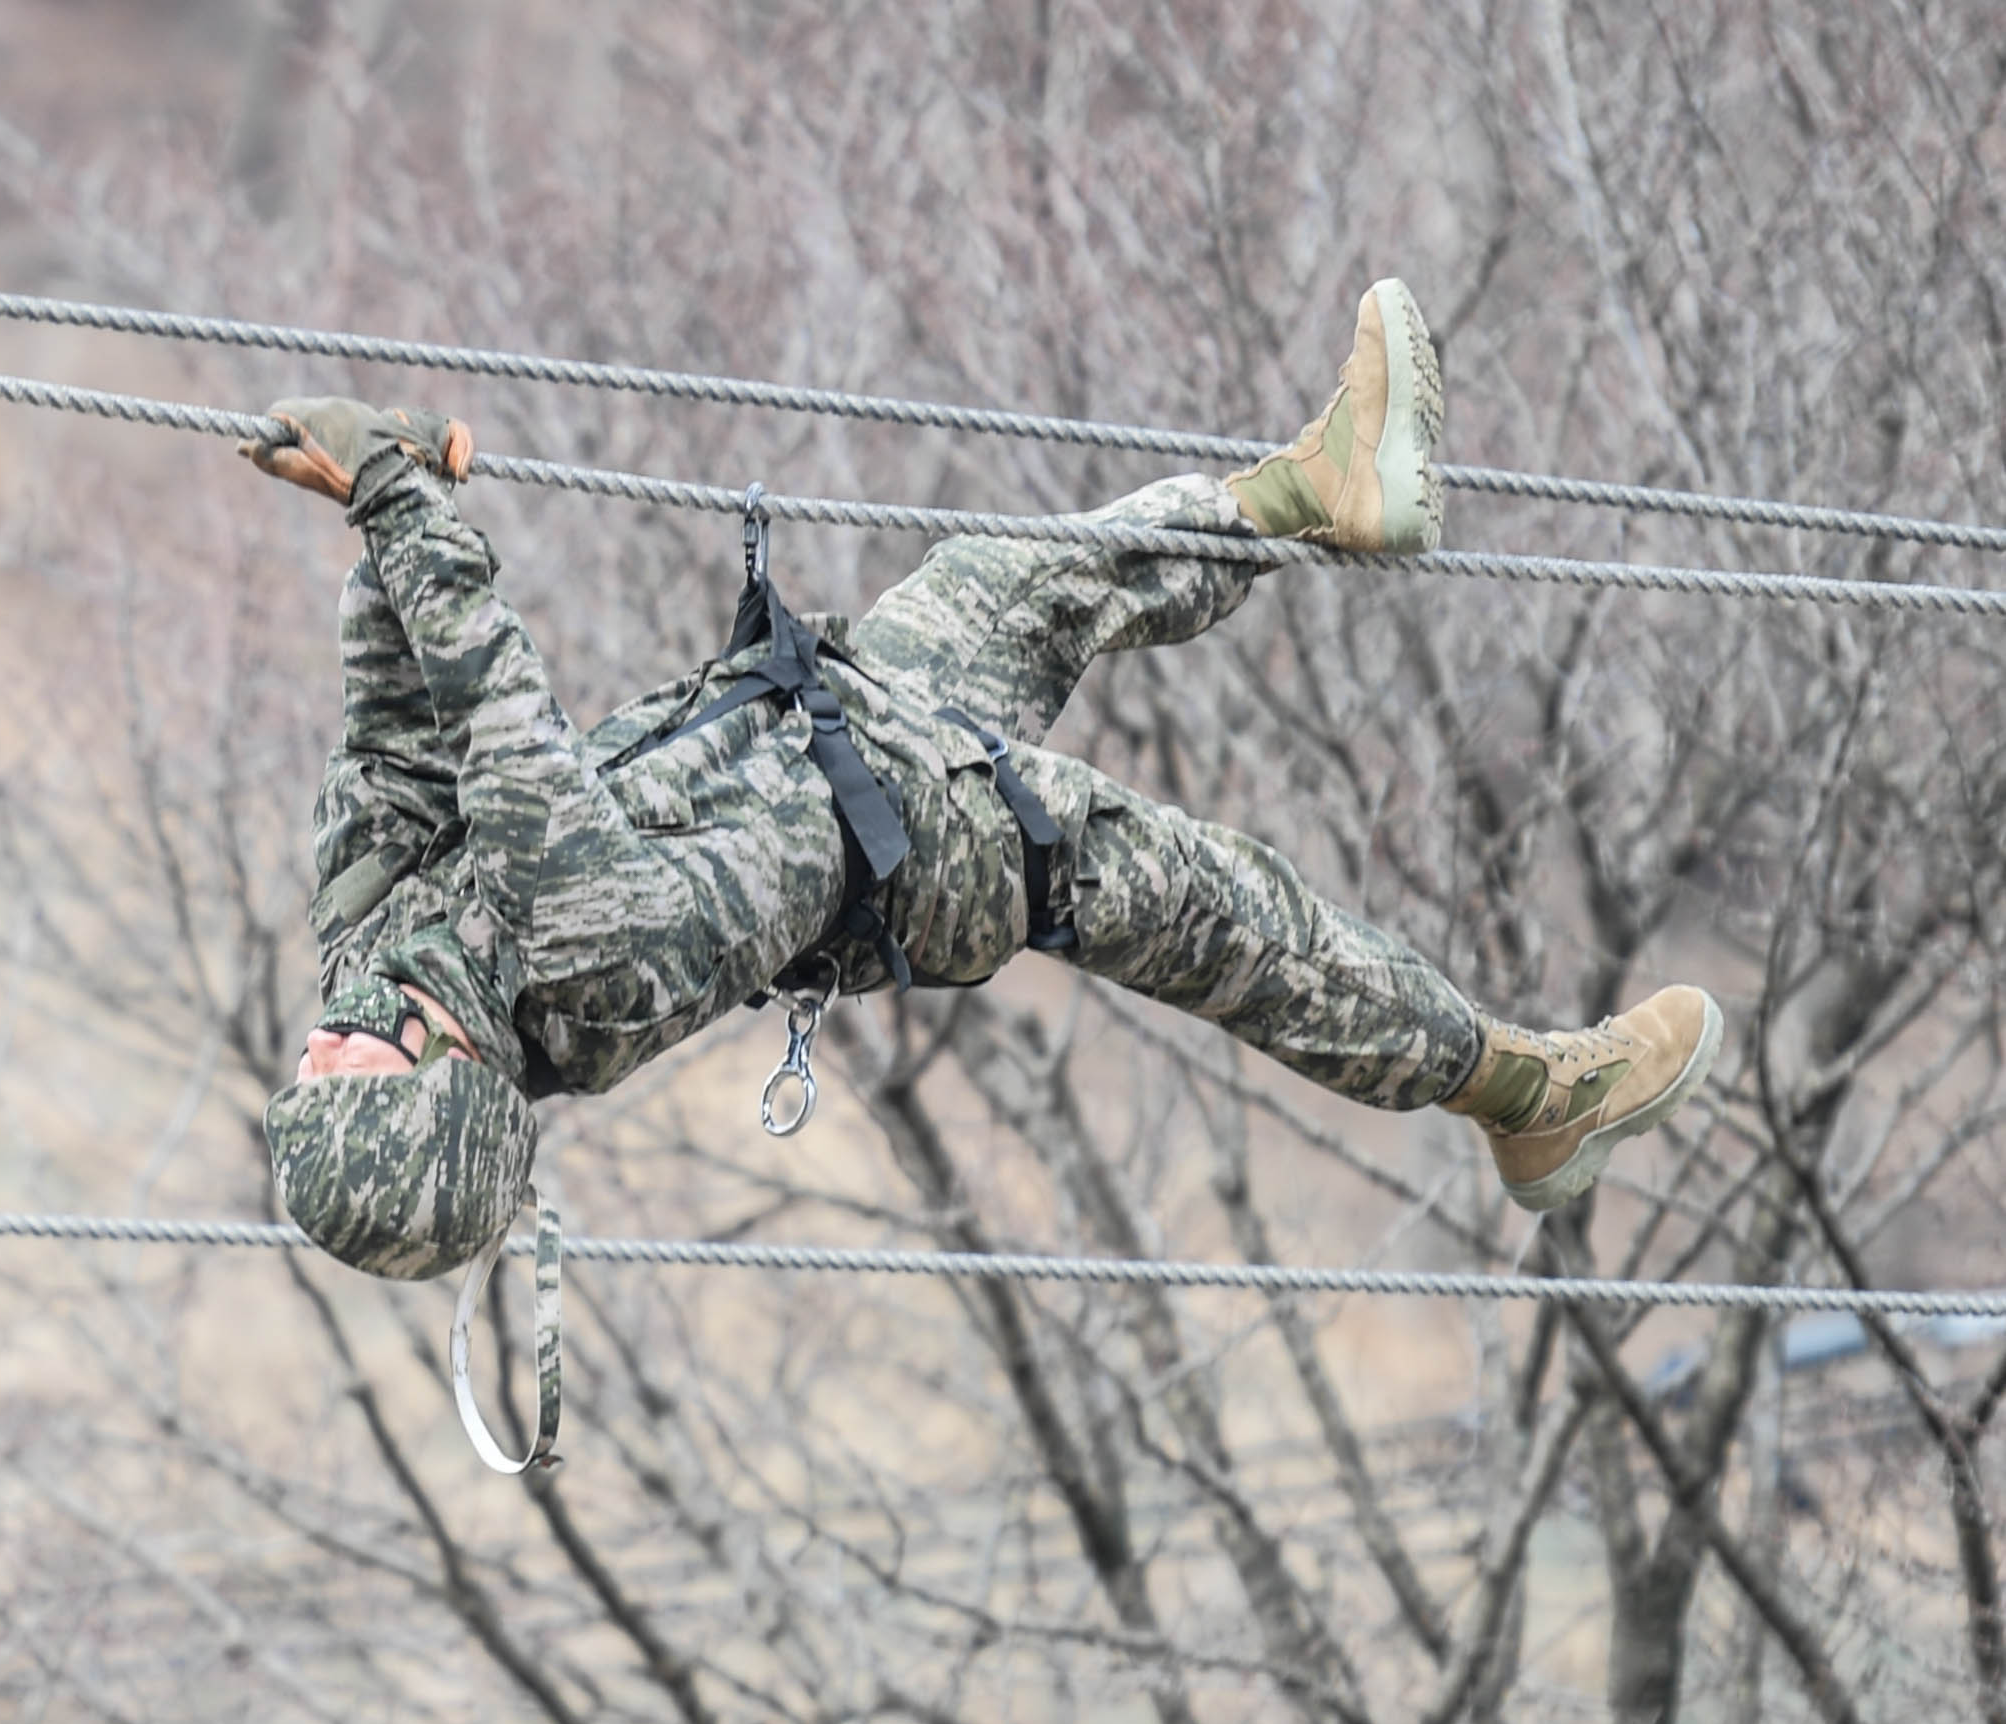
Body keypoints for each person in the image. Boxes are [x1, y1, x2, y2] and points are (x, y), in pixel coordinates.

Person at [250, 281, 1730, 1279]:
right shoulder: (593, 981)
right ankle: (1525, 1089)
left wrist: (393, 522)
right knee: (1244, 924)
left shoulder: (371, 954)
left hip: (834, 718)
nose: (317, 1049)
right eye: (343, 1079)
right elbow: (508, 751)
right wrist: (404, 505)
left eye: (308, 1075)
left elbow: (395, 745)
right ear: (443, 1087)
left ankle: (1316, 486)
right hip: (946, 849)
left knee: (1027, 579)